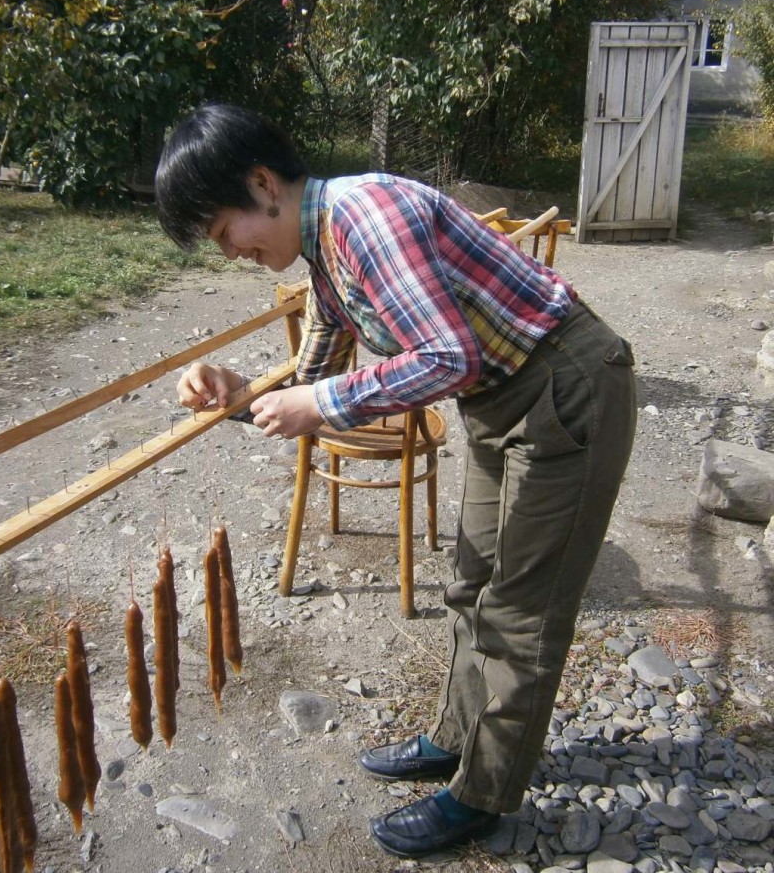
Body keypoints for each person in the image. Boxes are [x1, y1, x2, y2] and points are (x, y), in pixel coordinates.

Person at [154, 102, 637, 858]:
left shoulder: (364, 218)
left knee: (521, 610)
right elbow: (312, 380)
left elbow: (446, 359)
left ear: (262, 183)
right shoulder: (326, 255)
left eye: (224, 233)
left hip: (567, 387)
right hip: (504, 395)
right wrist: (238, 395)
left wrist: (315, 402)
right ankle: (454, 738)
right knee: (473, 582)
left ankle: (483, 795)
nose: (230, 253)